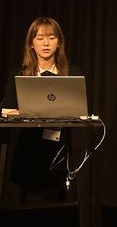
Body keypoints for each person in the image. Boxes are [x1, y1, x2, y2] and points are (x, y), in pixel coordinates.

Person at [1, 17, 81, 204]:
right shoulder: (19, 74)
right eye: (39, 38)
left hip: (59, 152)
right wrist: (29, 111)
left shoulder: (71, 74)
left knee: (58, 207)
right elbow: (6, 111)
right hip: (27, 153)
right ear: (31, 44)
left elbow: (80, 110)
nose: (46, 43)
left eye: (51, 38)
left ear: (59, 43)